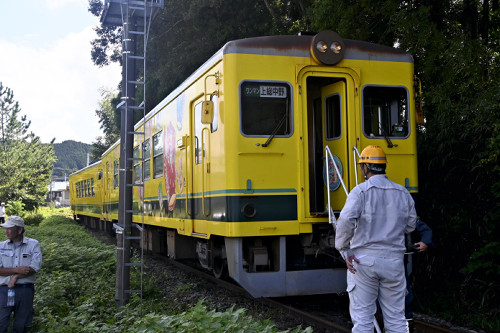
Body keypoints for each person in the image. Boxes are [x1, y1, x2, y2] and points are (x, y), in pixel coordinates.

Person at [335, 145, 417, 333]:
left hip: (363, 261)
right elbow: (411, 225)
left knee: (363, 319)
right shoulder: (402, 193)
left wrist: (344, 250)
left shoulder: (360, 192)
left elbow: (346, 220)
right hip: (394, 261)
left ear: (365, 168)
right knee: (396, 318)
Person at [0, 216, 42, 333]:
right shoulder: (1, 246)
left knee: (21, 326)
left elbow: (35, 266)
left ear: (19, 230)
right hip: (4, 290)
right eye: (5, 228)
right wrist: (17, 270)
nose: (6, 231)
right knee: (1, 323)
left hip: (25, 290)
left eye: (9, 228)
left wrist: (16, 277)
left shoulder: (33, 244)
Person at [404, 219, 434, 330]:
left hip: (397, 265)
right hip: (377, 265)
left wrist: (425, 241)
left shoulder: (401, 210)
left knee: (404, 297)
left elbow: (424, 228)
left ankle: (407, 326)